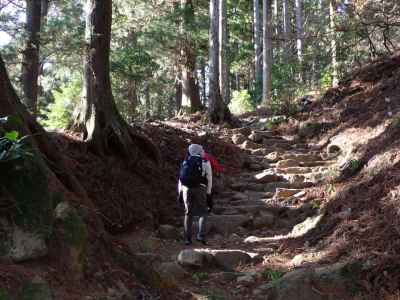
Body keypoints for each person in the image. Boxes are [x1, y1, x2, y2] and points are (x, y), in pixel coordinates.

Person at [178, 144, 213, 245]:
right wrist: (209, 193)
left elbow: (180, 179)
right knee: (203, 212)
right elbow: (209, 178)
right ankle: (201, 236)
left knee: (188, 213)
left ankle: (187, 239)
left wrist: (180, 192)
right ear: (199, 151)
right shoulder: (205, 162)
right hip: (200, 188)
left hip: (186, 189)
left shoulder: (185, 161)